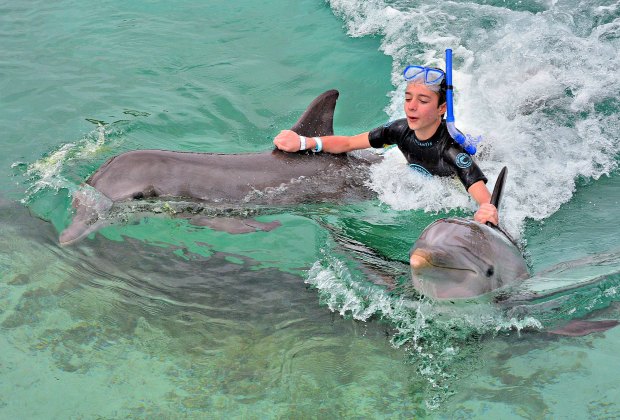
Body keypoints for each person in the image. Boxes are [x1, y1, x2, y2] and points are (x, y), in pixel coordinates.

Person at [273, 65, 499, 229]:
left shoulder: (451, 151)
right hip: (419, 173)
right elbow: (350, 143)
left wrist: (485, 210)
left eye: (422, 101)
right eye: (408, 98)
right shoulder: (399, 131)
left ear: (442, 109)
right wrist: (305, 142)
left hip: (450, 185)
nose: (411, 107)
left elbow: (480, 193)